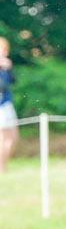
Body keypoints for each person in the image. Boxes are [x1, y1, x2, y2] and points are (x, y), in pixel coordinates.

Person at [0, 37, 18, 173]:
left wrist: (8, 69)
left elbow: (13, 82)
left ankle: (4, 165)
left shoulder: (6, 66)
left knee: (13, 137)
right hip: (1, 106)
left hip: (7, 103)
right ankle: (2, 168)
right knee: (3, 138)